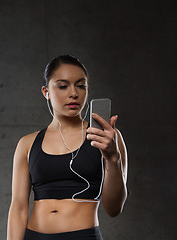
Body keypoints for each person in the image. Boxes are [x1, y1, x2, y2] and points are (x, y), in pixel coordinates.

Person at [7, 55, 128, 240]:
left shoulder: (107, 138)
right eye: (63, 86)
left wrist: (113, 159)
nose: (73, 93)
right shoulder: (27, 144)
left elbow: (114, 209)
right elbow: (18, 208)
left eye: (81, 85)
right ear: (46, 91)